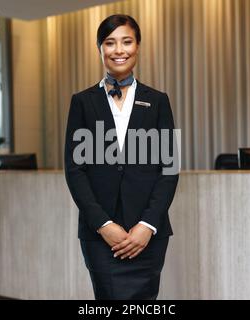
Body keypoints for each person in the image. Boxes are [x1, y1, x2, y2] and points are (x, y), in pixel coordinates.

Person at [64, 14, 179, 300]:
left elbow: (170, 168)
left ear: (137, 46)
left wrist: (147, 225)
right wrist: (103, 225)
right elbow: (75, 170)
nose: (119, 50)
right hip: (100, 235)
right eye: (110, 43)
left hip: (148, 234)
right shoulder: (82, 102)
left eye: (126, 42)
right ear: (100, 48)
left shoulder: (158, 100)